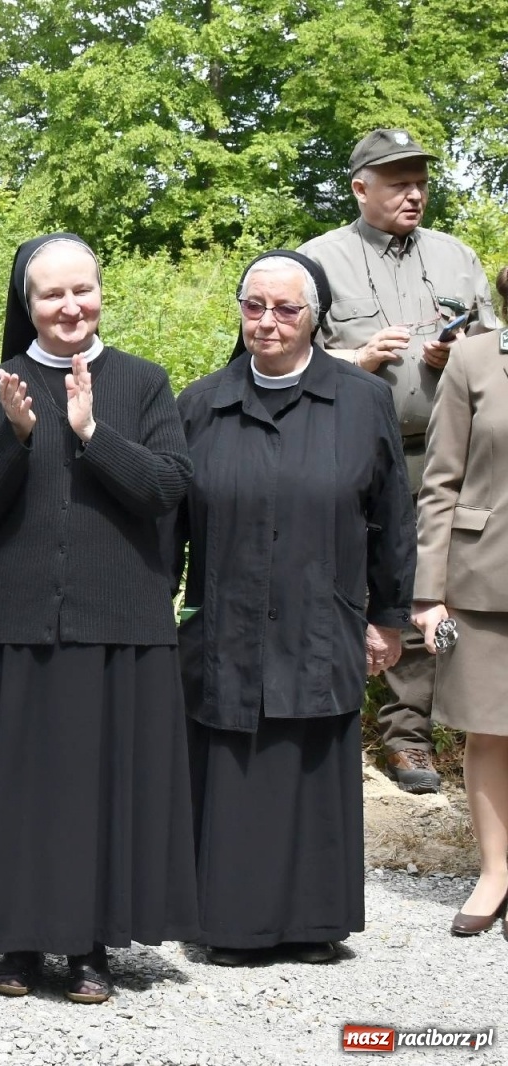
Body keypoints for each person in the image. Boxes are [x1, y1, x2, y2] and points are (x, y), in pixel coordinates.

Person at [0, 234, 198, 1004]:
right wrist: (18, 435)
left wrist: (93, 435)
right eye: (51, 295)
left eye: (83, 290)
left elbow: (169, 486)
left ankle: (91, 948)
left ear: (101, 291)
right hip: (8, 622)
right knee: (16, 789)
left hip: (116, 624)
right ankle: (12, 943)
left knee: (96, 793)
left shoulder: (142, 382)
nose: (70, 307)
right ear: (27, 304)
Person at [170, 251, 414, 966]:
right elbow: (170, 527)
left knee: (309, 769)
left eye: (286, 309)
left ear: (316, 318)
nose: (268, 322)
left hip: (321, 617)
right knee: (236, 773)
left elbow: (392, 518)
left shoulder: (362, 401)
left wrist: (389, 617)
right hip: (225, 625)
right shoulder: (200, 403)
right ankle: (231, 926)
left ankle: (313, 924)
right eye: (254, 307)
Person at [298, 128, 501, 794]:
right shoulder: (317, 262)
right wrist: (352, 359)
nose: (414, 194)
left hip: (439, 457)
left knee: (418, 595)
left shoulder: (456, 257)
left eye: (420, 181)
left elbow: (495, 348)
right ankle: (318, 726)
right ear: (360, 188)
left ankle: (407, 738)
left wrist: (455, 352)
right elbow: (272, 354)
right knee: (337, 586)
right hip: (346, 454)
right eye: (397, 183)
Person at [412, 265, 508, 939]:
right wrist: (428, 592)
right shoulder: (474, 357)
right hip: (483, 580)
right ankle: (496, 872)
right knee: (489, 729)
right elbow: (441, 481)